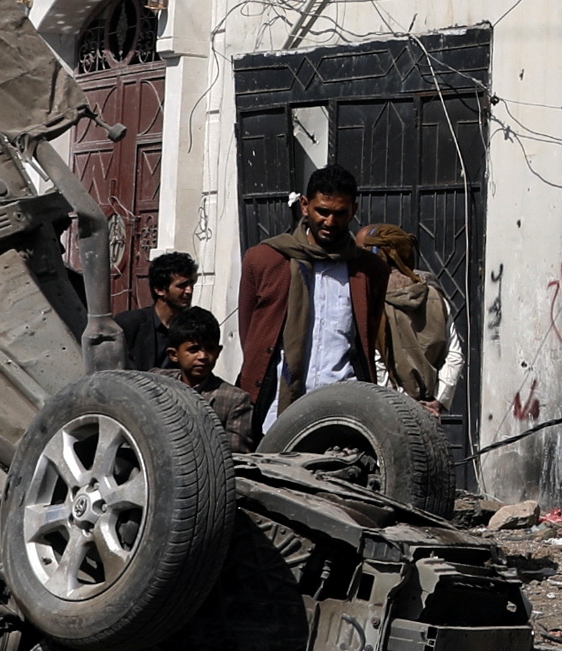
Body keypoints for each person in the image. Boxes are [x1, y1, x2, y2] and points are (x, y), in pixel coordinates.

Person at [236, 165, 384, 432]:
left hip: (344, 409)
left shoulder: (369, 270)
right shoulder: (264, 259)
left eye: (340, 213)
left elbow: (366, 335)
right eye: (323, 212)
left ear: (353, 211)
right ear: (305, 206)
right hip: (275, 410)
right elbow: (252, 334)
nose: (330, 222)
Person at [359, 221, 463, 409]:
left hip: (388, 410)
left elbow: (377, 360)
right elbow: (454, 355)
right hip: (428, 410)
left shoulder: (374, 301)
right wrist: (438, 400)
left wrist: (397, 403)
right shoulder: (437, 298)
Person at [156, 304, 263, 451]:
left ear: (218, 352)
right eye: (194, 349)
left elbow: (235, 454)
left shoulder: (234, 400)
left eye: (210, 348)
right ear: (174, 355)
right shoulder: (158, 384)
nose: (203, 356)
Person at [123, 251, 203, 373]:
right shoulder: (130, 324)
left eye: (191, 284)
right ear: (159, 290)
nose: (189, 291)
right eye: (182, 285)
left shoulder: (193, 327)